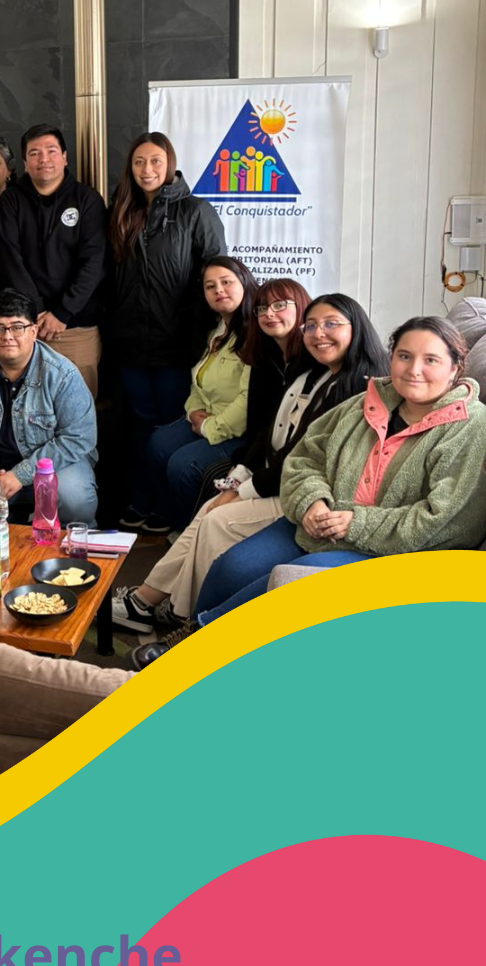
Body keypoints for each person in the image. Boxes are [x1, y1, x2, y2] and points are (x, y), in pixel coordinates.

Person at [131, 314, 486, 668]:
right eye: (404, 356)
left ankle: (196, 650)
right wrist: (312, 502)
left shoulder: (470, 427)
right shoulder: (364, 403)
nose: (414, 370)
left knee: (284, 580)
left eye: (431, 360)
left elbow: (447, 520)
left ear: (455, 368)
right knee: (233, 566)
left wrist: (355, 523)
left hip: (393, 552)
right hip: (320, 523)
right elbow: (304, 458)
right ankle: (195, 630)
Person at [115, 292, 386, 640]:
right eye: (312, 326)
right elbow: (268, 433)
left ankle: (176, 610)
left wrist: (244, 490)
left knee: (216, 519)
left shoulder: (358, 390)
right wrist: (238, 478)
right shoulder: (310, 372)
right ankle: (149, 601)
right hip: (275, 477)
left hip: (304, 494)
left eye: (331, 324)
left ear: (356, 328)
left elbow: (300, 459)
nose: (319, 334)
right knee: (210, 509)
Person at [105, 133, 226, 527]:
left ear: (170, 164)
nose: (147, 170)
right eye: (139, 162)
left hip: (178, 342)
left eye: (156, 161)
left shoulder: (196, 211)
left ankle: (166, 507)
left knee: (173, 424)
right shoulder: (120, 211)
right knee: (139, 425)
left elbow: (216, 272)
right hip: (130, 344)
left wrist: (202, 328)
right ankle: (141, 501)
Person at [0, 288, 98, 525]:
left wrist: (21, 474)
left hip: (52, 466)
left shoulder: (63, 375)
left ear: (34, 331)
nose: (7, 336)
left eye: (17, 327)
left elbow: (79, 437)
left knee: (75, 499)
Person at [133, 256, 257, 534]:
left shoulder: (255, 333)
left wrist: (208, 427)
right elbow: (199, 381)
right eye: (210, 286)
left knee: (182, 465)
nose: (219, 290)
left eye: (226, 282)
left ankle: (191, 531)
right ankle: (172, 515)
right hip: (207, 417)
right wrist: (193, 413)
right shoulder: (218, 330)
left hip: (237, 430)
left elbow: (247, 400)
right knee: (158, 444)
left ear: (245, 283)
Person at [0, 123, 106, 397]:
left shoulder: (87, 200)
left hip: (76, 326)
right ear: (25, 163)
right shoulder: (10, 201)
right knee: (25, 405)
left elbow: (94, 262)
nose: (43, 159)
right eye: (34, 153)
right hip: (24, 326)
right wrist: (37, 312)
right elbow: (9, 260)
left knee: (77, 407)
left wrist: (62, 313)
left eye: (51, 151)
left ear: (64, 157)